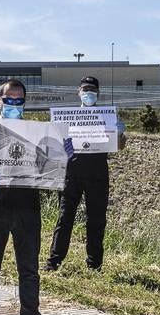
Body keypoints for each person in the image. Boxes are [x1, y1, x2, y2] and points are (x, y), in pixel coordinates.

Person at [0, 79, 74, 315]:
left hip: (28, 207)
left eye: (19, 101)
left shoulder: (38, 133)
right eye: (9, 100)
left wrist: (63, 155)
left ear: (24, 102)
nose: (14, 105)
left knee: (28, 269)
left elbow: (48, 169)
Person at [44, 76, 126, 272]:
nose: (89, 93)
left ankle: (94, 264)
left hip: (97, 173)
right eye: (85, 89)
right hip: (71, 172)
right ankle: (54, 261)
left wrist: (119, 133)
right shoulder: (67, 117)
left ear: (98, 93)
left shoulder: (109, 117)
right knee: (65, 217)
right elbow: (55, 146)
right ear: (78, 92)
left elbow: (120, 147)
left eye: (92, 90)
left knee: (96, 219)